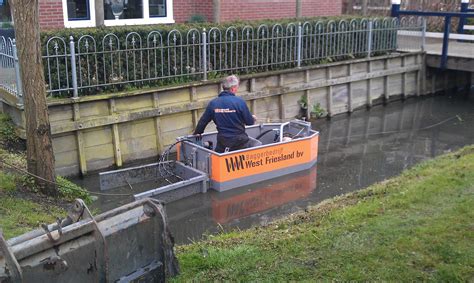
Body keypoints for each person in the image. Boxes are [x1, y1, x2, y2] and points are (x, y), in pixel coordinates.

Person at [193, 75, 258, 153]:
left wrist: (198, 132)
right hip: (240, 142)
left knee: (218, 155)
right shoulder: (240, 102)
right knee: (258, 145)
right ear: (233, 88)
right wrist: (252, 118)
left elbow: (203, 121)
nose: (237, 89)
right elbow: (249, 122)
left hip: (222, 142)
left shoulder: (213, 103)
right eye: (237, 87)